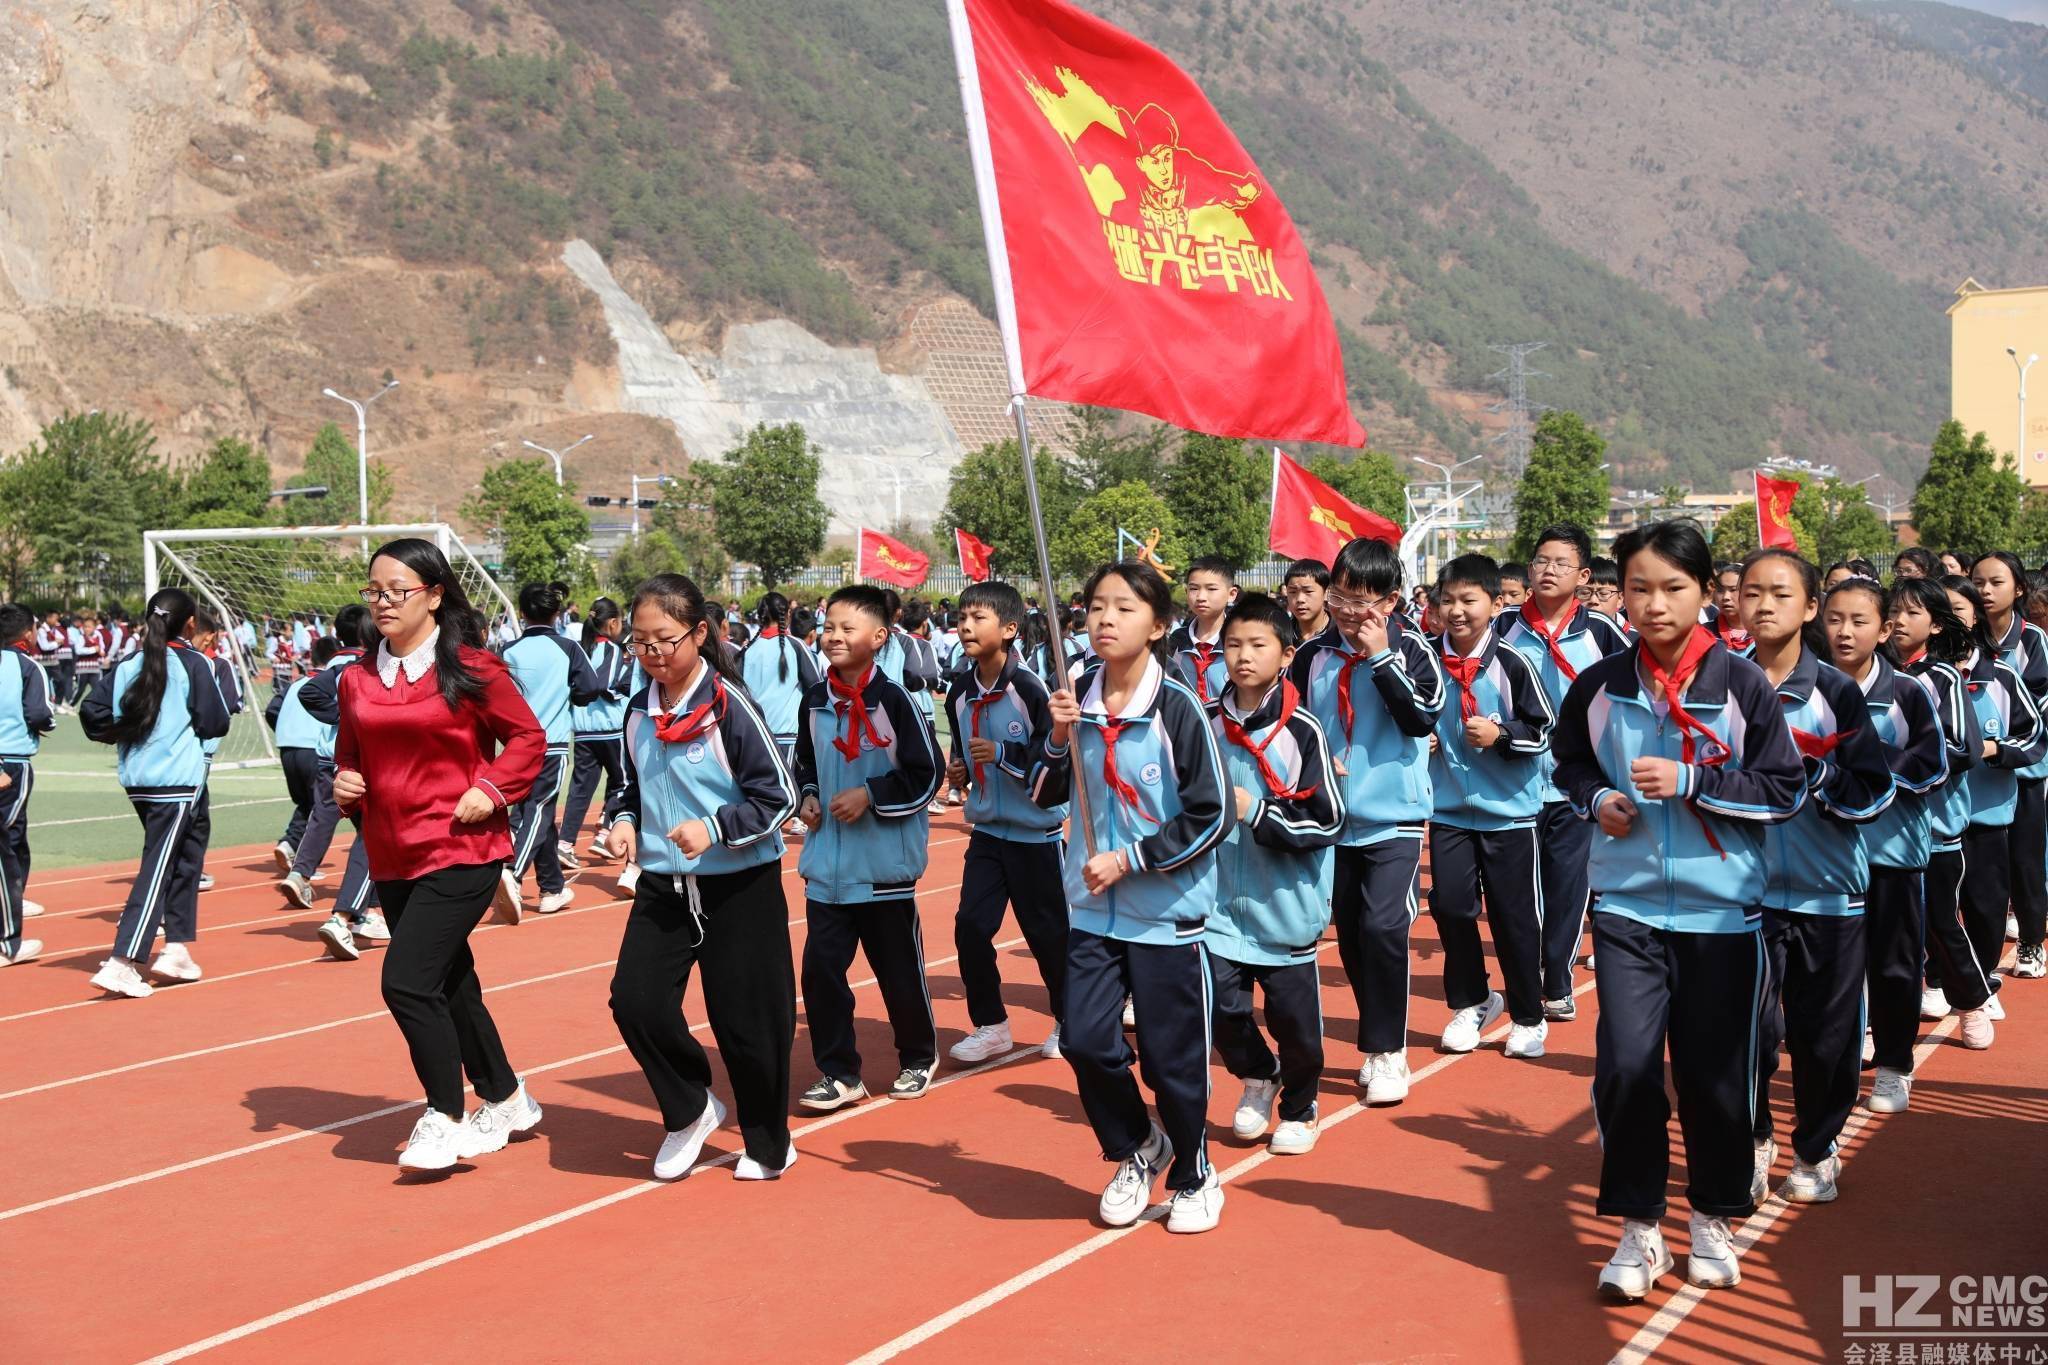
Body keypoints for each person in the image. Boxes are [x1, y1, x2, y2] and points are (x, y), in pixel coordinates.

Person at [1551, 518, 1805, 1300]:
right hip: (1627, 908)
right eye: (1639, 587)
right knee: (1627, 1068)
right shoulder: (1599, 685)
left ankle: (1711, 1216)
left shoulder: (1741, 685)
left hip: (1722, 915)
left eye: (1673, 588)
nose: (1654, 604)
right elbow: (1568, 762)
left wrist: (1694, 782)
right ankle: (1638, 1228)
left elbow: (1786, 789)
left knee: (1714, 1077)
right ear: (1618, 591)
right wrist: (1598, 798)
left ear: (1704, 592)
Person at [332, 538, 548, 1171]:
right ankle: (506, 1098)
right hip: (390, 851)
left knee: (405, 980)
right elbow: (351, 755)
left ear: (433, 594)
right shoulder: (356, 677)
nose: (382, 603)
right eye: (374, 592)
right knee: (451, 982)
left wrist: (490, 789)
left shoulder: (472, 668)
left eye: (396, 591)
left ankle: (444, 1114)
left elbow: (527, 738)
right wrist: (345, 783)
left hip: (461, 848)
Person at [1040, 559, 1230, 1233]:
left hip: (1165, 913)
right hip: (1092, 907)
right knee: (1087, 1041)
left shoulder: (1176, 707)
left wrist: (1133, 858)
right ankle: (1137, 1146)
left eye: (1123, 607)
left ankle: (1195, 1172)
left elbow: (1211, 813)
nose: (1105, 619)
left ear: (1158, 624)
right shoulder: (1074, 698)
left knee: (1171, 1056)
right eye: (1096, 606)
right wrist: (1059, 739)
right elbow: (1045, 796)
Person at [605, 573, 800, 1182]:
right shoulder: (638, 710)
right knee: (634, 1003)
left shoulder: (729, 707)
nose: (653, 655)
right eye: (640, 643)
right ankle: (690, 1107)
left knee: (748, 1022)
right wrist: (624, 820)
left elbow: (781, 796)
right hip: (664, 885)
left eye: (664, 640)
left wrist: (716, 828)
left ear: (699, 633)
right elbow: (629, 784)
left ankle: (769, 1141)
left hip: (738, 884)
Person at [1738, 549, 1894, 1206]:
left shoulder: (1836, 692)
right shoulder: (1715, 683)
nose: (1764, 604)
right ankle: (1753, 1138)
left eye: (1780, 593)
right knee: (1745, 1030)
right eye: (1752, 592)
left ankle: (1815, 1145)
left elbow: (1876, 790)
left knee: (1824, 1036)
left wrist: (1821, 777)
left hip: (1829, 892)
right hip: (1739, 894)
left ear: (1809, 609)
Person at [1293, 536, 1444, 1104]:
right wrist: (1312, 761)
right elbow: (1292, 722)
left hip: (1395, 816)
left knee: (1384, 927)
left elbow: (1421, 718)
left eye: (1364, 601)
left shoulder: (1415, 650)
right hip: (1331, 817)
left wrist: (1381, 658)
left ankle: (1387, 1049)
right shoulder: (1312, 656)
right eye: (1341, 597)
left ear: (1392, 600)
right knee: (1351, 933)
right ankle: (1377, 1025)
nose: (1351, 612)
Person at [791, 585, 943, 1112]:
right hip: (827, 869)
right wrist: (808, 796)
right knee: (819, 974)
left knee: (898, 972)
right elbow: (804, 762)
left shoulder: (896, 701)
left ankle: (919, 1057)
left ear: (878, 637)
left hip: (884, 869)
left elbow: (928, 776)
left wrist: (871, 795)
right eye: (828, 626)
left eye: (846, 628)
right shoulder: (815, 699)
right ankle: (839, 1072)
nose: (833, 636)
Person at [1206, 593, 1343, 1154]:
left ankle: (1300, 1104)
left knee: (1297, 1029)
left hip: (1284, 904)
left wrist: (1257, 811)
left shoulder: (1303, 730)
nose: (1243, 656)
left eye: (1257, 645)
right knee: (1219, 1007)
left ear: (1286, 655)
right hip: (1216, 904)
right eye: (1233, 644)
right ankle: (1259, 1075)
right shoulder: (1205, 722)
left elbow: (1328, 819)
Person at [1497, 523, 1633, 1019]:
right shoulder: (1502, 628)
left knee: (1567, 890)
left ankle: (1555, 980)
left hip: (1574, 785)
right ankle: (1526, 975)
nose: (1547, 570)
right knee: (1516, 896)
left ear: (1583, 574)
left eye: (1560, 563)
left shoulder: (1601, 632)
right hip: (1511, 783)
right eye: (1540, 561)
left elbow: (1634, 692)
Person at [1826, 577, 1949, 1114]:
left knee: (1895, 965)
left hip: (1892, 855)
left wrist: (1864, 758)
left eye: (1859, 621)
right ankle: (1838, 1062)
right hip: (1827, 857)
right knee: (1831, 972)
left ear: (1883, 630)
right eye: (1834, 619)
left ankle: (1895, 1065)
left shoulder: (1907, 692)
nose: (1845, 631)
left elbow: (1933, 768)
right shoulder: (1810, 688)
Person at [1426, 555, 1557, 1060]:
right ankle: (1474, 1000)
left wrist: (1502, 734)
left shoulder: (1512, 659)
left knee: (1514, 917)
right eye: (1448, 600)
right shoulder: (1427, 659)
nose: (1456, 611)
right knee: (1452, 905)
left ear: (1495, 603)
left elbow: (1542, 728)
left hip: (1510, 812)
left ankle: (1528, 1015)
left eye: (1469, 600)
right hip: (1449, 808)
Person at [941, 580, 1070, 1065]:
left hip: (1037, 836)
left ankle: (1067, 1017)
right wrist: (960, 770)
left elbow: (1052, 766)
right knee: (971, 927)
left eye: (978, 618)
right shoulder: (959, 690)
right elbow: (960, 749)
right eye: (962, 617)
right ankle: (991, 1024)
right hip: (988, 833)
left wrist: (1001, 755)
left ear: (1010, 629)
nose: (966, 626)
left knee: (1049, 935)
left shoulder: (1030, 690)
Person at [79, 589, 232, 997]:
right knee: (159, 865)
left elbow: (91, 715)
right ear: (191, 625)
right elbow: (216, 721)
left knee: (188, 855)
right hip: (177, 779)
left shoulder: (129, 663)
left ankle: (177, 948)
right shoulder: (195, 662)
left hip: (140, 778)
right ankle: (123, 959)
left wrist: (128, 733)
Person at [1888, 578, 1994, 1045]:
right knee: (1882, 932)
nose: (1899, 621)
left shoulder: (1942, 677)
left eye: (1912, 613)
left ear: (1934, 625)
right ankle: (1877, 1024)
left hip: (1934, 828)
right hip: (1880, 830)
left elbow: (1961, 749)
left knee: (1939, 924)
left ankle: (1972, 1001)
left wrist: (1892, 766)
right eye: (1894, 611)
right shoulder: (1871, 673)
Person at [1940, 576, 2043, 1006]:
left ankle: (1980, 986)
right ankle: (1935, 984)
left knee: (1985, 909)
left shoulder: (1999, 674)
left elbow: (2035, 735)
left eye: (1959, 610)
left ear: (1974, 616)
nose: (1950, 619)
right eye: (1940, 611)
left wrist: (1993, 748)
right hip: (1934, 823)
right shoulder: (1911, 678)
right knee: (1937, 914)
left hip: (1987, 813)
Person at [496, 582, 607, 922]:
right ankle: (513, 872)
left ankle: (551, 888)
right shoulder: (568, 648)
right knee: (540, 811)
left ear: (524, 613)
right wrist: (568, 695)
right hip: (551, 742)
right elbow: (590, 688)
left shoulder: (508, 650)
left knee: (537, 813)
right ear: (556, 614)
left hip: (516, 744)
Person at [1970, 551, 2048, 977]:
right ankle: (1980, 953)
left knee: (2024, 858)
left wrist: (2006, 742)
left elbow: (2041, 703)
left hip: (2025, 770)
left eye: (1996, 582)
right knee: (1984, 866)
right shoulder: (1967, 637)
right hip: (1978, 776)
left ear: (2018, 588)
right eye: (1978, 581)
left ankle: (2033, 942)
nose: (1985, 590)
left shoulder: (2033, 640)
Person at [559, 598, 635, 866]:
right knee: (623, 783)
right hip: (611, 728)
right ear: (613, 623)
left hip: (582, 730)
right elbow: (603, 683)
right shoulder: (613, 651)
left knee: (580, 789)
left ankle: (565, 843)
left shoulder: (578, 650)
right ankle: (604, 833)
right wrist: (619, 689)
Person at [739, 591, 821, 838]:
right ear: (787, 613)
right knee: (793, 778)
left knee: (763, 781)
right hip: (788, 729)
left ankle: (763, 823)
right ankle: (796, 818)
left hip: (758, 729)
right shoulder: (796, 646)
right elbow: (815, 685)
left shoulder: (748, 650)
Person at [0, 604, 55, 966]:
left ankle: (16, 894)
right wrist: (45, 724)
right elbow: (39, 713)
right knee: (7, 840)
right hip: (11, 762)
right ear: (28, 634)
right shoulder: (26, 666)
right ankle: (8, 940)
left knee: (14, 834)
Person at [1168, 557, 1237, 705]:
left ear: (1232, 594)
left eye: (1211, 589)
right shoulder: (1176, 641)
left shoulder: (1240, 640)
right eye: (1193, 589)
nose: (1201, 597)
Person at [1280, 558, 1331, 643]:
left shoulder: (1340, 634)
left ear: (1326, 593)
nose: (1300, 599)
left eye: (1308, 591)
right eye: (1293, 592)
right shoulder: (1281, 635)